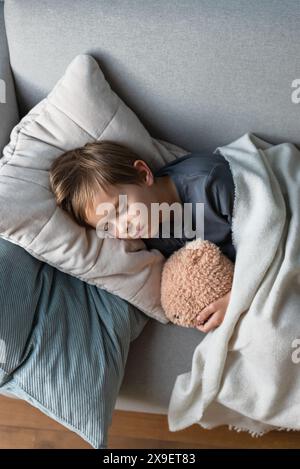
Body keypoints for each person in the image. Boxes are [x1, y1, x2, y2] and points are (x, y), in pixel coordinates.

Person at [49, 141, 235, 332]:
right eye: (108, 226)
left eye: (121, 209)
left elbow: (262, 232)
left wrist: (235, 298)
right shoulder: (149, 234)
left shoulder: (209, 183)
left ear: (143, 174)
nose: (123, 228)